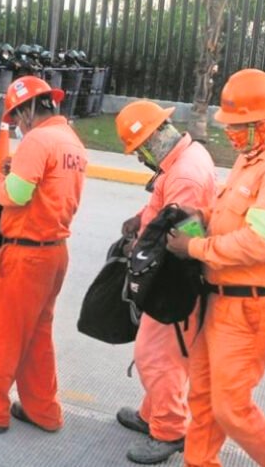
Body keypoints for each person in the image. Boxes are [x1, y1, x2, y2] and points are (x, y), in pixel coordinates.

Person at [0, 76, 87, 434]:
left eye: (16, 117)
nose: (17, 126)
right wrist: (15, 176)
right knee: (37, 335)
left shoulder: (38, 140)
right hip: (53, 252)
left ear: (26, 110)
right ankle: (44, 409)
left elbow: (16, 195)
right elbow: (43, 188)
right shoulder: (71, 140)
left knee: (0, 334)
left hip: (25, 255)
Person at [167, 68, 265, 467]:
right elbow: (228, 213)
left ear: (262, 123)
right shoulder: (251, 160)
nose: (230, 134)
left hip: (250, 307)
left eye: (238, 126)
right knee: (202, 396)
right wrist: (201, 213)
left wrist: (195, 246)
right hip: (218, 299)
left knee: (233, 409)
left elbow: (261, 243)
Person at [113, 100, 216, 464]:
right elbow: (163, 210)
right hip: (174, 277)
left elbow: (178, 236)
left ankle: (169, 430)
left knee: (156, 356)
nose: (139, 159)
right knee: (162, 354)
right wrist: (140, 218)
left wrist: (142, 255)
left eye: (139, 150)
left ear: (156, 139)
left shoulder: (185, 175)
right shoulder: (184, 159)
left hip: (174, 280)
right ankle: (152, 414)